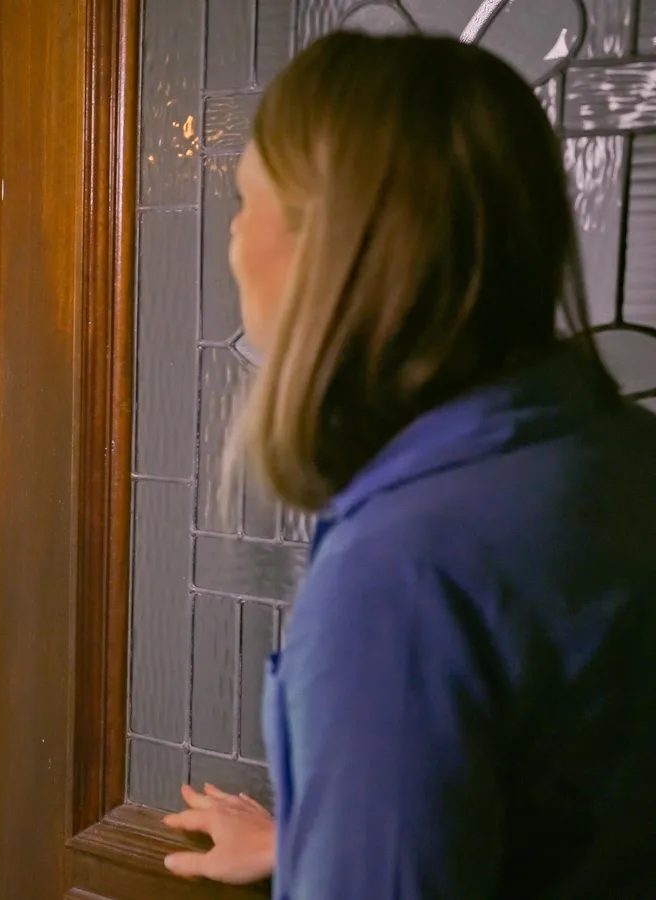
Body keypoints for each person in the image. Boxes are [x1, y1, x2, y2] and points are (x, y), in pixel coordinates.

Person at [160, 31, 656, 899]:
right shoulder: (621, 455)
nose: (233, 239)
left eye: (246, 202)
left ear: (327, 246)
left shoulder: (401, 575)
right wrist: (328, 831)